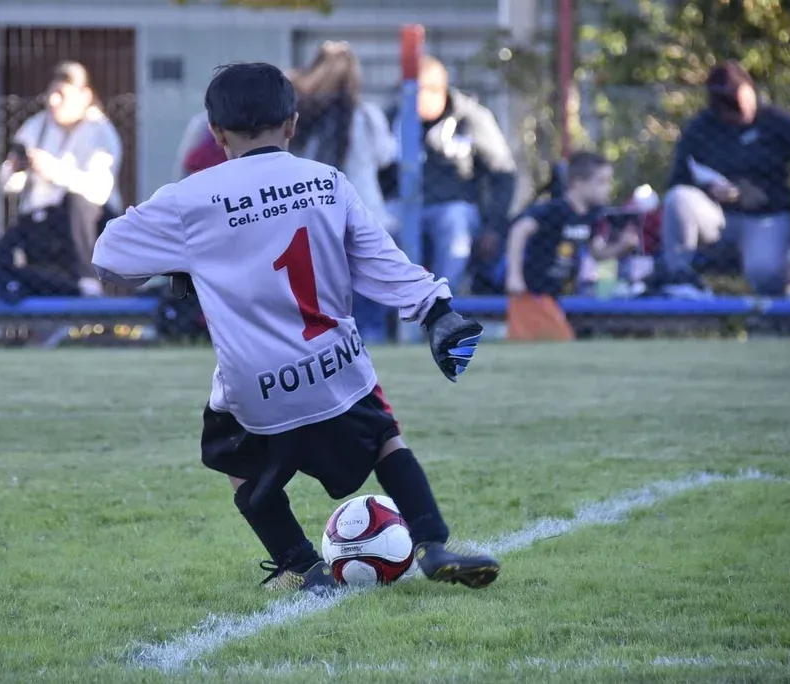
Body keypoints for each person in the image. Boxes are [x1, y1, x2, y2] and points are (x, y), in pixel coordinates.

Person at [92, 63, 499, 592]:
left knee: (233, 456)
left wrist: (177, 263)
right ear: (291, 124)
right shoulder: (327, 182)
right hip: (335, 365)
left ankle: (301, 564)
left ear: (216, 133)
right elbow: (380, 261)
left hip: (256, 381)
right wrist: (435, 309)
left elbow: (109, 256)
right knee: (384, 438)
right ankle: (431, 541)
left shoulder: (190, 198)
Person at [662, 60, 790, 296]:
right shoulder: (700, 129)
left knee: (764, 272)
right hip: (719, 218)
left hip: (768, 219)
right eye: (736, 108)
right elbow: (677, 181)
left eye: (748, 100)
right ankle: (680, 282)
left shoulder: (773, 121)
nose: (746, 110)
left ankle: (771, 312)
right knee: (678, 199)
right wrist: (709, 189)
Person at [0, 62, 123, 298]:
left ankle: (89, 281)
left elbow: (99, 191)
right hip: (43, 219)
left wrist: (53, 170)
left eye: (61, 95)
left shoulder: (100, 132)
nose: (53, 102)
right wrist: (17, 169)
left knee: (77, 202)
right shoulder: (37, 126)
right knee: (1, 252)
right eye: (50, 94)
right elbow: (7, 183)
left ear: (85, 96)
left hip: (88, 225)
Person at [290, 41, 398, 342]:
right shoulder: (367, 115)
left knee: (325, 309)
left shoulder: (300, 118)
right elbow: (387, 156)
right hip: (367, 217)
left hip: (314, 222)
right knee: (369, 309)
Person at [380, 56, 517, 292]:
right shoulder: (393, 118)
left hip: (454, 207)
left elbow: (503, 173)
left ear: (437, 91)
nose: (406, 98)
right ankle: (394, 303)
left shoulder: (470, 118)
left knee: (454, 223)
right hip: (404, 205)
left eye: (414, 92)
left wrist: (493, 226)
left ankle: (442, 300)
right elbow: (378, 172)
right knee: (377, 224)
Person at [505, 151, 639, 341]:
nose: (607, 189)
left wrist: (622, 246)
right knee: (558, 341)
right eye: (601, 182)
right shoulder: (554, 210)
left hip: (553, 293)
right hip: (530, 291)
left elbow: (597, 253)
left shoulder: (591, 217)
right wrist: (514, 276)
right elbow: (519, 230)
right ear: (578, 183)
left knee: (549, 343)